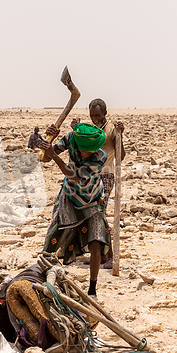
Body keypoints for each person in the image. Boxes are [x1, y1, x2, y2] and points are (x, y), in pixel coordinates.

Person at [40, 122, 110, 297]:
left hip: (93, 200)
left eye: (90, 151)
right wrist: (50, 142)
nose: (86, 153)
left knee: (95, 240)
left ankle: (92, 289)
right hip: (70, 196)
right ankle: (41, 275)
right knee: (54, 235)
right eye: (84, 150)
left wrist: (54, 155)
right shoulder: (71, 138)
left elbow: (75, 176)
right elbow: (45, 157)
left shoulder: (100, 157)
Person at [72, 98, 125, 269]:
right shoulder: (89, 130)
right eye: (92, 115)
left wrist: (120, 135)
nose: (94, 118)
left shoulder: (111, 129)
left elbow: (121, 155)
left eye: (97, 115)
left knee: (100, 213)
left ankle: (110, 255)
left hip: (106, 175)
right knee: (91, 215)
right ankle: (99, 254)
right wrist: (75, 131)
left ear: (105, 113)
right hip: (89, 176)